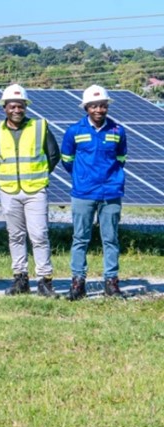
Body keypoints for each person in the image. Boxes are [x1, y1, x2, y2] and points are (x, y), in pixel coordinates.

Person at [0, 84, 61, 297]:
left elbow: (53, 155)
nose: (17, 110)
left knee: (39, 235)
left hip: (35, 190)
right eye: (12, 106)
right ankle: (20, 279)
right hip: (8, 191)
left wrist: (41, 175)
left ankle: (45, 281)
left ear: (26, 106)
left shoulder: (40, 126)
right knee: (15, 236)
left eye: (20, 106)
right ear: (4, 108)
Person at [62, 85, 128, 300]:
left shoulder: (117, 131)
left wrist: (111, 178)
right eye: (94, 106)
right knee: (80, 238)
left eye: (103, 105)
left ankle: (111, 282)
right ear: (86, 107)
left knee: (111, 238)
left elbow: (121, 158)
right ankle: (78, 282)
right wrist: (83, 177)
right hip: (83, 193)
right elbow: (67, 160)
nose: (99, 109)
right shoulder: (75, 131)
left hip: (111, 192)